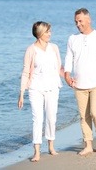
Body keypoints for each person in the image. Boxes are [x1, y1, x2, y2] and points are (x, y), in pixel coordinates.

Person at [64, 8, 96, 156]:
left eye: (80, 21)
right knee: (83, 116)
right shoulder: (72, 39)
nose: (78, 24)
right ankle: (87, 144)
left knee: (95, 112)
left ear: (88, 20)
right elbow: (68, 59)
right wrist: (67, 76)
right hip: (79, 84)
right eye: (76, 22)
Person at [18, 21, 63, 162]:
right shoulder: (31, 50)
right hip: (35, 88)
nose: (50, 34)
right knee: (37, 119)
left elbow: (60, 68)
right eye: (47, 32)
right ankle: (37, 151)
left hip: (52, 87)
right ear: (39, 34)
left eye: (50, 31)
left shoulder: (54, 48)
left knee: (51, 117)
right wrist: (21, 94)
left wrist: (70, 79)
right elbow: (25, 72)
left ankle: (51, 146)